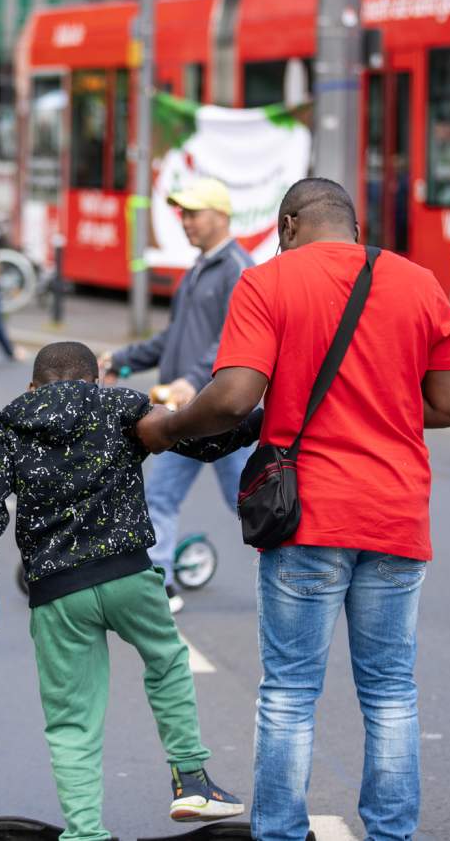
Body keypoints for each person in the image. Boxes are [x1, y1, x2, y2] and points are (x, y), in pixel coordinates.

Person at [135, 178, 450, 841]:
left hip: (308, 516)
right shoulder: (418, 282)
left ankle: (283, 832)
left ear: (288, 224)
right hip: (397, 517)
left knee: (290, 690)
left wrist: (165, 428)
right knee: (391, 690)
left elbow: (233, 396)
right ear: (352, 224)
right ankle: (391, 833)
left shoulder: (269, 282)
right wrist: (383, 406)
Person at [0, 341, 256, 841]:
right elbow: (205, 442)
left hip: (57, 593)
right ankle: (190, 779)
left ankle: (85, 832)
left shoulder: (9, 425)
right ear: (94, 378)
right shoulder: (119, 406)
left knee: (71, 719)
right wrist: (269, 416)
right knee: (165, 661)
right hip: (128, 577)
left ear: (33, 385)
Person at [102, 176, 253, 614]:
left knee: (248, 500)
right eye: (182, 213)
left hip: (223, 409)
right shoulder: (197, 270)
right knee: (161, 496)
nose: (184, 221)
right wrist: (122, 360)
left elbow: (233, 338)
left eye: (193, 213)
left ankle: (303, 564)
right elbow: (173, 338)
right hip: (184, 412)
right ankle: (160, 584)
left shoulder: (236, 269)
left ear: (220, 216)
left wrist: (193, 378)